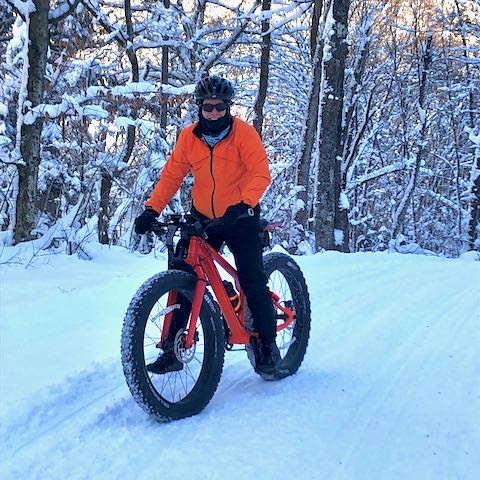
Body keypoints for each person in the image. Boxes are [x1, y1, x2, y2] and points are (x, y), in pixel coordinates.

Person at [134, 75, 281, 376]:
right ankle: (173, 348)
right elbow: (172, 176)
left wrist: (245, 203)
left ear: (228, 107)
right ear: (199, 108)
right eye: (207, 107)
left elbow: (260, 173)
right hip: (203, 216)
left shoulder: (244, 134)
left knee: (252, 279)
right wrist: (151, 209)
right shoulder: (189, 137)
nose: (213, 113)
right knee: (184, 274)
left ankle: (266, 343)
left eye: (219, 107)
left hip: (240, 216)